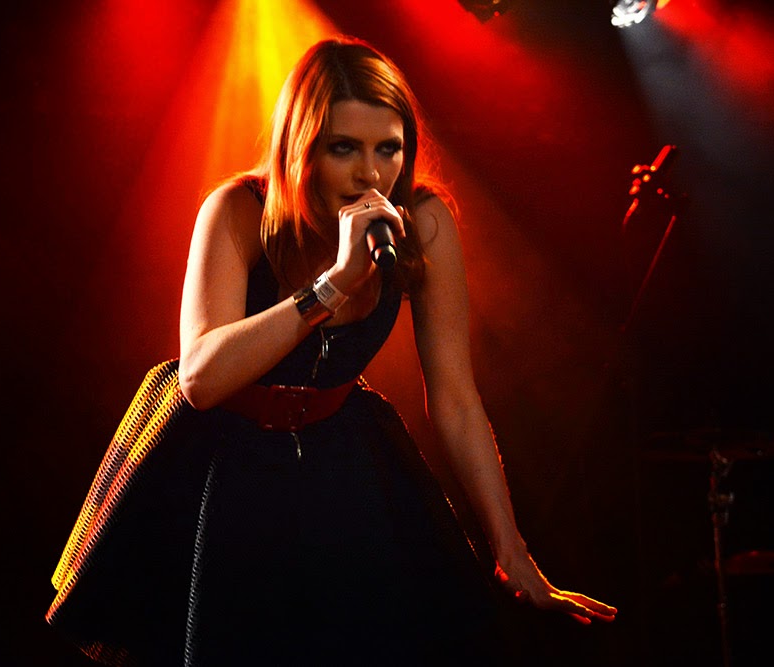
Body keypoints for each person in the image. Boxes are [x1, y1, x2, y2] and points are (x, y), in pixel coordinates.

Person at [48, 36, 615, 666]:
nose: (370, 174)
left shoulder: (423, 222)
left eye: (388, 149)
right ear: (303, 147)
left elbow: (455, 397)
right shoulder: (238, 210)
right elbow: (202, 380)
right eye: (344, 148)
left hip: (340, 456)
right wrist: (335, 284)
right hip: (219, 463)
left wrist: (512, 550)